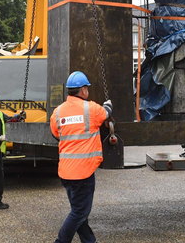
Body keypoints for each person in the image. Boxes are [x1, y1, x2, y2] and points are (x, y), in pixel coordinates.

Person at [50, 71, 112, 243]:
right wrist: (108, 104)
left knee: (79, 211)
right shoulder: (90, 108)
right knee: (79, 212)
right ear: (83, 90)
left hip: (66, 172)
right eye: (87, 89)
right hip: (83, 172)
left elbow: (56, 133)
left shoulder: (58, 112)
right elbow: (106, 113)